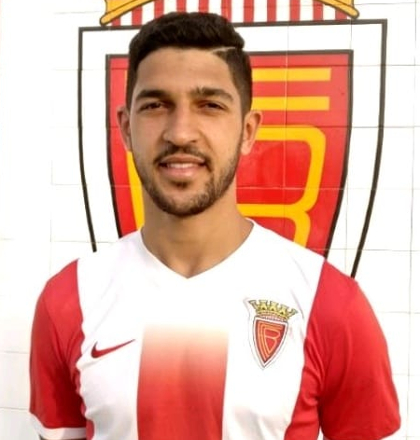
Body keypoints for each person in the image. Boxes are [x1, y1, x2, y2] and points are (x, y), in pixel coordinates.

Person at [29, 11, 400, 440]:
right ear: (126, 129)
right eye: (156, 105)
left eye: (210, 105)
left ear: (247, 130)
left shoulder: (330, 304)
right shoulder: (68, 301)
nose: (181, 132)